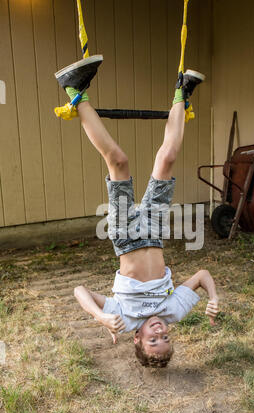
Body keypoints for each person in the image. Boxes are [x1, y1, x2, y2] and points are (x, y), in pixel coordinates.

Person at [55, 55, 219, 368]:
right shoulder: (174, 312)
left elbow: (79, 290)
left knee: (118, 161)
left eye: (153, 340)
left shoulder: (123, 317)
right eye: (166, 338)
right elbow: (201, 275)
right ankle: (181, 93)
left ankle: (74, 89)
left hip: (126, 237)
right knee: (168, 158)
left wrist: (100, 316)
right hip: (155, 234)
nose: (160, 333)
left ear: (136, 337)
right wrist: (213, 298)